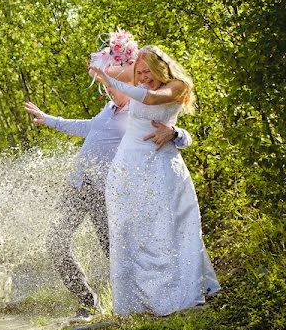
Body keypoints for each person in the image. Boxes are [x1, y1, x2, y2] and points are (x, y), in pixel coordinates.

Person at [24, 79, 193, 317]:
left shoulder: (139, 113)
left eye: (113, 87)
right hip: (78, 186)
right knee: (55, 243)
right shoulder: (108, 109)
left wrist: (175, 133)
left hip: (107, 193)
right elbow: (89, 127)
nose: (109, 91)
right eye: (106, 87)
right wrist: (48, 119)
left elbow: (182, 136)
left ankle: (145, 302)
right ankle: (87, 303)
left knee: (115, 252)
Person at [92, 45, 220, 316]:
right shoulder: (135, 78)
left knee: (166, 228)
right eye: (139, 72)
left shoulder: (177, 85)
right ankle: (137, 303)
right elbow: (109, 69)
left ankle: (175, 295)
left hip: (161, 167)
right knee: (131, 231)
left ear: (161, 67)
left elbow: (150, 99)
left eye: (148, 70)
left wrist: (174, 132)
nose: (143, 76)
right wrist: (120, 54)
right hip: (127, 168)